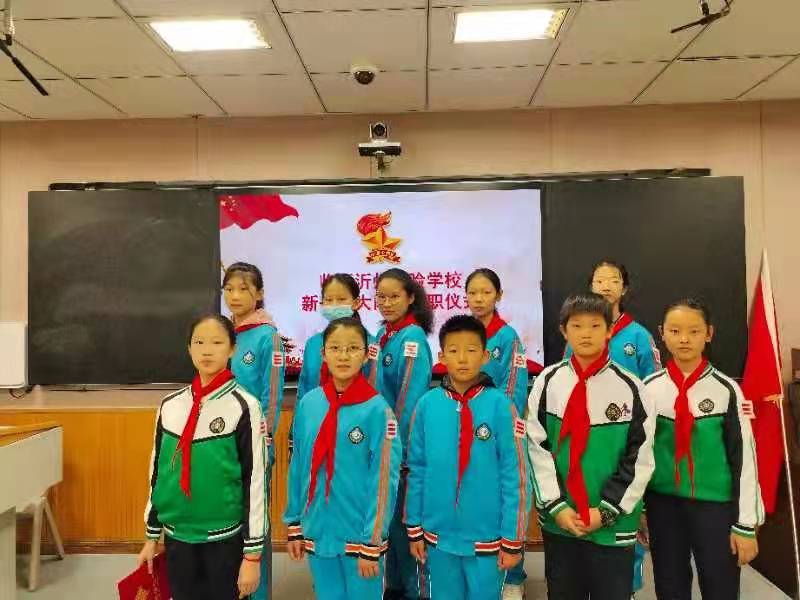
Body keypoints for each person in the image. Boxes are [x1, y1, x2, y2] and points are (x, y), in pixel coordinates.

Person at [527, 293, 656, 600]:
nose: (586, 333)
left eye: (595, 325)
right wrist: (557, 507)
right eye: (577, 325)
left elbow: (640, 457)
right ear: (563, 331)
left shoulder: (632, 387)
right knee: (563, 592)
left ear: (610, 330)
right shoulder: (547, 382)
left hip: (612, 523)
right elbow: (536, 446)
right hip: (561, 520)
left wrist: (606, 511)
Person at [138, 314, 266, 600]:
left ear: (232, 349)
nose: (207, 351)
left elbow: (255, 481)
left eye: (217, 342)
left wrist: (252, 556)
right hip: (177, 536)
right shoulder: (170, 405)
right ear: (189, 348)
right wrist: (152, 535)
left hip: (224, 539)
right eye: (199, 342)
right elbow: (158, 473)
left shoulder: (245, 406)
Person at [644, 298, 763, 599]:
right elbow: (640, 455)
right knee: (669, 585)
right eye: (675, 331)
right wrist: (640, 509)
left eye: (694, 331)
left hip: (716, 508)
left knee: (720, 585)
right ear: (662, 333)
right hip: (664, 505)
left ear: (709, 333)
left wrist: (745, 524)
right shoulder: (649, 388)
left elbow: (745, 459)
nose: (684, 339)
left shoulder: (727, 390)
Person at [405, 315, 530, 599]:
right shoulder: (426, 405)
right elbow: (417, 470)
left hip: (487, 538)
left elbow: (516, 476)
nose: (462, 358)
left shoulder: (501, 406)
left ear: (485, 356)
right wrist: (414, 527)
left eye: (471, 350)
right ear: (441, 357)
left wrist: (512, 539)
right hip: (438, 537)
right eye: (453, 350)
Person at [284, 317, 401, 600]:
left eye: (352, 348)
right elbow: (298, 466)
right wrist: (295, 523)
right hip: (318, 531)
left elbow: (383, 480)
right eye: (335, 348)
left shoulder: (378, 410)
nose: (343, 356)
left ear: (366, 355)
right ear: (323, 354)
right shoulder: (309, 404)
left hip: (359, 538)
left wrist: (372, 542)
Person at [222, 261, 286, 600]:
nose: (234, 296)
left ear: (259, 294)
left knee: (255, 523)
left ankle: (260, 594)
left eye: (243, 289)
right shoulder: (223, 333)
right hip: (221, 446)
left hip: (253, 446)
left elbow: (271, 397)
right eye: (229, 289)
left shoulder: (267, 336)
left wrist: (262, 444)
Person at [374, 268, 434, 600]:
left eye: (394, 296)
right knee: (391, 526)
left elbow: (408, 401)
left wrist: (395, 449)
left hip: (400, 452)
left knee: (407, 527)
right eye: (381, 297)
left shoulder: (412, 339)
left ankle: (415, 591)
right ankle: (395, 587)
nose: (386, 303)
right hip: (381, 447)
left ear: (411, 297)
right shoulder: (383, 335)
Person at [298, 273, 378, 399]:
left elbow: (376, 388)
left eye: (341, 299)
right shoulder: (313, 344)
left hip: (358, 410)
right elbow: (304, 388)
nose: (334, 305)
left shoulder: (370, 344)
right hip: (316, 409)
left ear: (356, 303)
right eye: (329, 300)